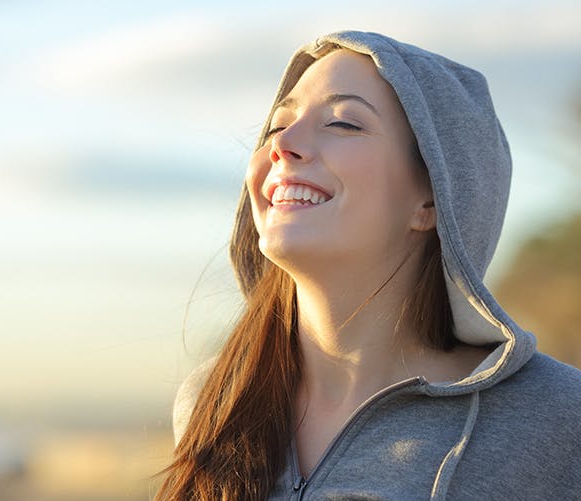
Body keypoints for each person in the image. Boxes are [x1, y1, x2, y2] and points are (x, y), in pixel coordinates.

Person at [156, 31, 581, 500]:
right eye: (278, 125)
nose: (283, 145)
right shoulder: (214, 403)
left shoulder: (558, 418)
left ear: (432, 198)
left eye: (342, 123)